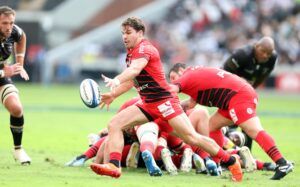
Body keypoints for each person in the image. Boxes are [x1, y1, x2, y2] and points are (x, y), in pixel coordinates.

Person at [89, 17, 242, 182]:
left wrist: (116, 79)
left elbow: (134, 70)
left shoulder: (145, 49)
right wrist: (113, 94)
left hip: (164, 102)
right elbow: (132, 81)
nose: (124, 37)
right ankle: (114, 166)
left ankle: (232, 161)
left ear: (140, 33)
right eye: (122, 33)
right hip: (148, 104)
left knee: (192, 137)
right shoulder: (131, 53)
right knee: (114, 124)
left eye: (128, 33)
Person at [168, 63, 293, 180]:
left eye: (173, 77)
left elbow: (170, 90)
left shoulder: (187, 76)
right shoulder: (193, 76)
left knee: (253, 130)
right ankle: (218, 164)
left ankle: (282, 163)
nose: (173, 81)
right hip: (232, 99)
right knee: (212, 127)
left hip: (238, 96)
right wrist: (180, 104)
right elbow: (190, 103)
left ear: (181, 71)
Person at [223, 36, 277, 150]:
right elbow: (223, 73)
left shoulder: (272, 58)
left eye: (269, 53)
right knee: (228, 123)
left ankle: (247, 156)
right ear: (256, 46)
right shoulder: (242, 54)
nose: (265, 55)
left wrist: (249, 90)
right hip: (229, 91)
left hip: (246, 93)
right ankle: (225, 153)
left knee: (249, 124)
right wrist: (239, 83)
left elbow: (262, 77)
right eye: (263, 51)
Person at [0, 6, 30, 164]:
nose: (9, 27)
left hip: (2, 75)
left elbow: (22, 36)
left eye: (11, 22)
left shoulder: (14, 31)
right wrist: (6, 72)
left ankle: (18, 149)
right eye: (4, 23)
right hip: (3, 73)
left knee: (17, 108)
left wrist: (19, 63)